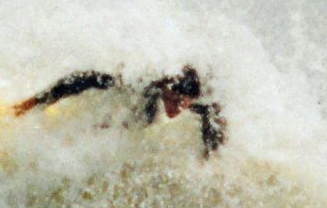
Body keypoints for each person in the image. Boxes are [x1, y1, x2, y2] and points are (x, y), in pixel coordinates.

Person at [13, 66, 226, 156]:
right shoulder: (145, 80)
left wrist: (208, 161)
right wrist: (28, 106)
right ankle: (26, 106)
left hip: (191, 83)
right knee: (142, 118)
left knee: (144, 121)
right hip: (144, 85)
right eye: (174, 100)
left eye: (184, 103)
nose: (177, 110)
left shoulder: (204, 101)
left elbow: (215, 131)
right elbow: (81, 80)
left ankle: (97, 128)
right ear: (166, 87)